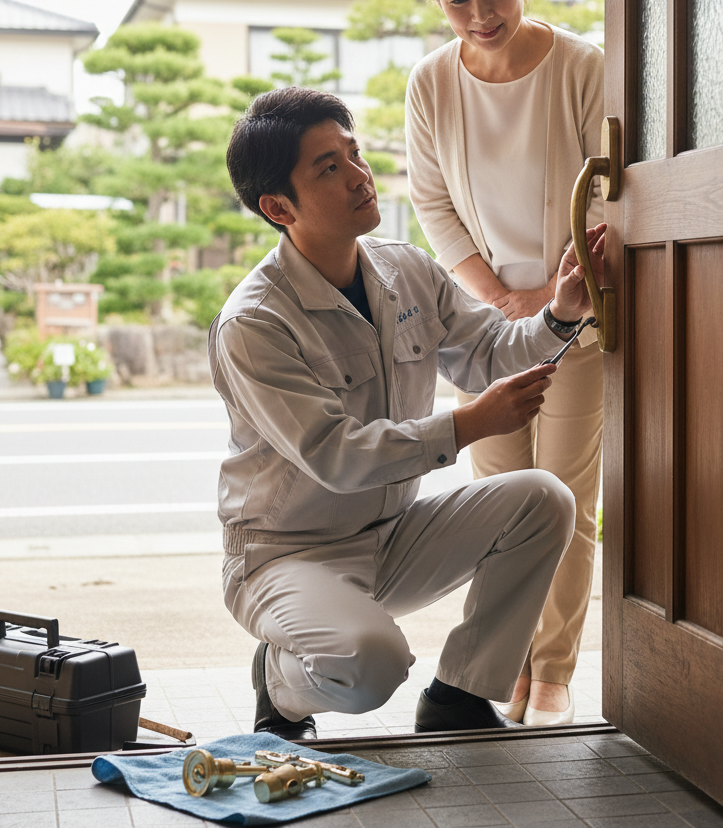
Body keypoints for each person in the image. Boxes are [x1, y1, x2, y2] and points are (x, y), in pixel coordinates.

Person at [211, 86, 606, 740]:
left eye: (354, 153)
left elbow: (488, 351)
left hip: (390, 536)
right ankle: (279, 685)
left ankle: (460, 694)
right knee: (372, 666)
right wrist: (470, 425)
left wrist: (563, 311)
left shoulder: (405, 269)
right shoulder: (254, 322)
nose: (360, 177)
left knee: (545, 498)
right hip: (286, 557)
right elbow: (336, 454)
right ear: (278, 206)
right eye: (329, 169)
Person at [405, 0, 605, 726]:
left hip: (582, 320)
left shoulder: (582, 66)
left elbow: (609, 190)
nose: (480, 15)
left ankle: (552, 673)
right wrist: (503, 299)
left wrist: (556, 298)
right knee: (500, 501)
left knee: (562, 494)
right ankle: (502, 672)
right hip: (487, 334)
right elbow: (432, 202)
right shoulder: (431, 82)